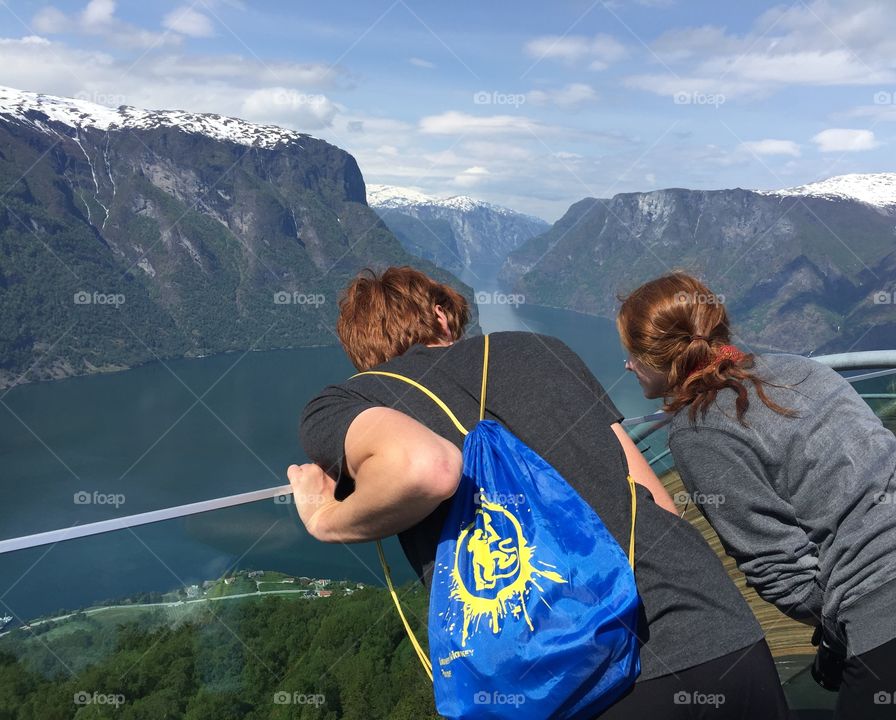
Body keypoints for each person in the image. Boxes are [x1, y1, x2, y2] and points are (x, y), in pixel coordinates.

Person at [289, 266, 789, 718]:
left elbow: (426, 468)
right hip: (713, 630)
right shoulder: (542, 349)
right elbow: (651, 496)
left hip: (581, 682)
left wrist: (321, 518)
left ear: (360, 350)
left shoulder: (347, 400)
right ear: (443, 316)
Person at [617, 271, 896, 720]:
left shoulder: (698, 429)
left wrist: (840, 621)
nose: (627, 366)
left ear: (656, 357)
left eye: (632, 355)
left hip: (894, 613)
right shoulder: (801, 368)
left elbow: (778, 570)